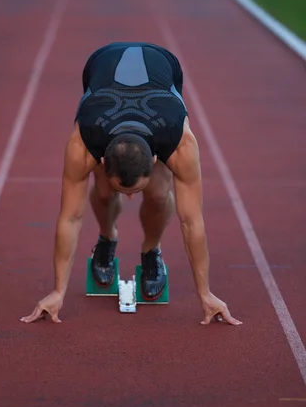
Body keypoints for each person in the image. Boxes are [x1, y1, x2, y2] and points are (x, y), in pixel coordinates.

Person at [20, 42, 242, 326]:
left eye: (135, 190)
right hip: (100, 65)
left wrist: (206, 293)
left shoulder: (179, 142)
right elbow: (71, 217)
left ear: (155, 161)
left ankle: (152, 250)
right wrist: (57, 291)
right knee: (102, 192)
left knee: (160, 194)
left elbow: (192, 222)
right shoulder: (84, 142)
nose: (131, 198)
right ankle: (106, 237)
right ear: (99, 162)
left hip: (163, 69)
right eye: (123, 190)